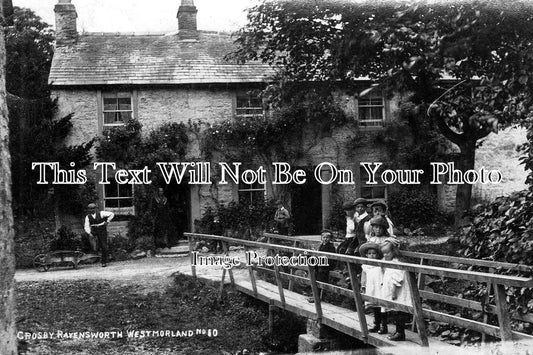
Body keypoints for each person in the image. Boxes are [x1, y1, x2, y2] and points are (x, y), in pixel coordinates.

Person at [380, 239, 413, 341]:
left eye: (387, 253)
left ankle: (400, 332)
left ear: (394, 251)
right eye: (383, 253)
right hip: (394, 291)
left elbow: (397, 278)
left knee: (400, 311)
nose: (385, 255)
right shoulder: (390, 261)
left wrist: (393, 292)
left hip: (399, 291)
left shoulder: (397, 263)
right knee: (396, 311)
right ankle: (398, 331)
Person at [359, 242, 386, 333]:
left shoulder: (380, 264)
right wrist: (363, 286)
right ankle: (376, 324)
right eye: (369, 254)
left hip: (380, 287)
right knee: (374, 306)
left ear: (377, 255)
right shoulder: (365, 265)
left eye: (374, 253)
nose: (372, 255)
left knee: (382, 306)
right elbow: (364, 276)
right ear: (366, 255)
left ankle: (384, 325)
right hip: (371, 287)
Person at [84, 203, 114, 267]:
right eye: (90, 209)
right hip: (94, 230)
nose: (91, 210)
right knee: (91, 243)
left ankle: (104, 261)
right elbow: (86, 226)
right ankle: (92, 257)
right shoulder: (88, 217)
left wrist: (107, 221)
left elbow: (112, 214)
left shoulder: (101, 213)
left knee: (104, 245)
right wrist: (89, 233)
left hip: (102, 230)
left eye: (93, 208)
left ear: (95, 208)